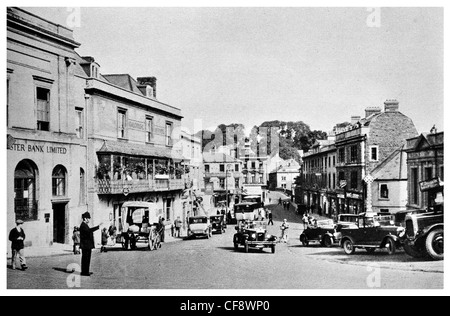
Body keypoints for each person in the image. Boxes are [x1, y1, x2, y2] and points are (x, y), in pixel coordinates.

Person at [79, 212, 102, 277]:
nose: (89, 220)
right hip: (85, 245)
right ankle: (84, 272)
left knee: (87, 258)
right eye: (88, 218)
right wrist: (97, 227)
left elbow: (89, 231)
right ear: (85, 218)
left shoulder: (85, 225)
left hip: (87, 245)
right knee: (85, 259)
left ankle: (86, 271)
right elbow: (89, 231)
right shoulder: (83, 225)